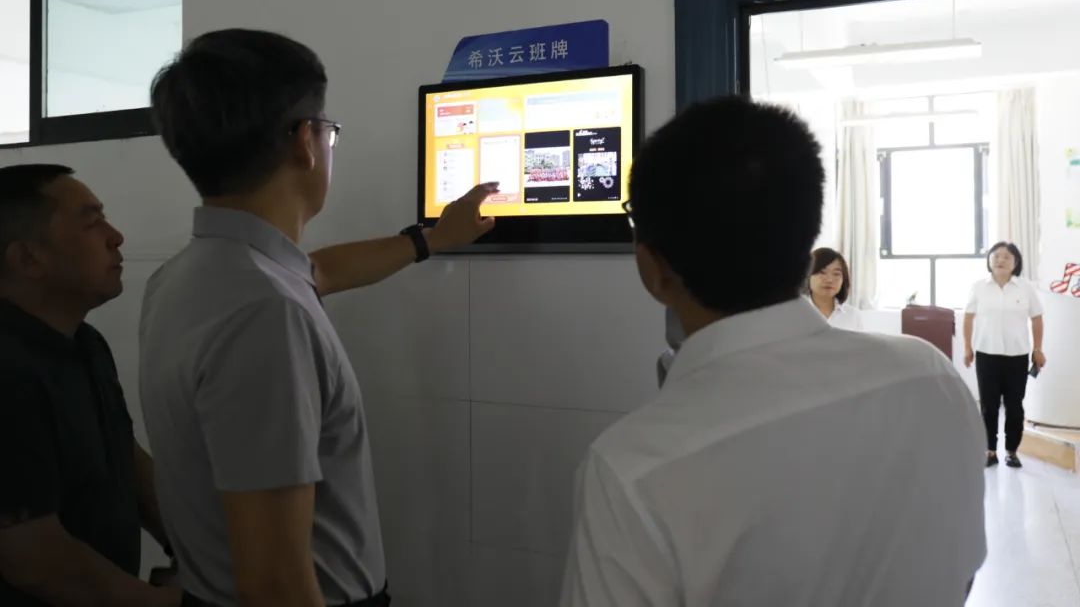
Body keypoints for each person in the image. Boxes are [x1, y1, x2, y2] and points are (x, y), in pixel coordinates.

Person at [560, 97, 986, 607]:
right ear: (807, 244)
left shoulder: (633, 468)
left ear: (652, 267)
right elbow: (962, 574)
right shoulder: (930, 379)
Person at [139, 29, 497, 607]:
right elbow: (275, 582)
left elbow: (318, 272)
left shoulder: (189, 277)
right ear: (306, 142)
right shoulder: (265, 314)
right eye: (329, 130)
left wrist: (430, 239)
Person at [0, 164, 179, 607]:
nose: (116, 236)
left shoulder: (85, 343)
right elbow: (33, 558)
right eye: (92, 222)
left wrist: (202, 546)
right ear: (28, 259)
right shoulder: (9, 371)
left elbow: (123, 456)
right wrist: (165, 604)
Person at [963, 241, 1047, 469]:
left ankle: (1012, 451)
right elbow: (968, 318)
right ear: (989, 260)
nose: (1000, 260)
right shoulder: (979, 287)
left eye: (1006, 257)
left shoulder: (1025, 288)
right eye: (996, 255)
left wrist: (1038, 349)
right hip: (986, 355)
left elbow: (1037, 318)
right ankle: (990, 450)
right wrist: (967, 348)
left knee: (1014, 406)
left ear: (1015, 263)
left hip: (1017, 356)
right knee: (988, 406)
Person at [807, 246, 865, 330]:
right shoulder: (793, 313)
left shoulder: (853, 316)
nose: (829, 280)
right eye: (822, 272)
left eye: (836, 274)